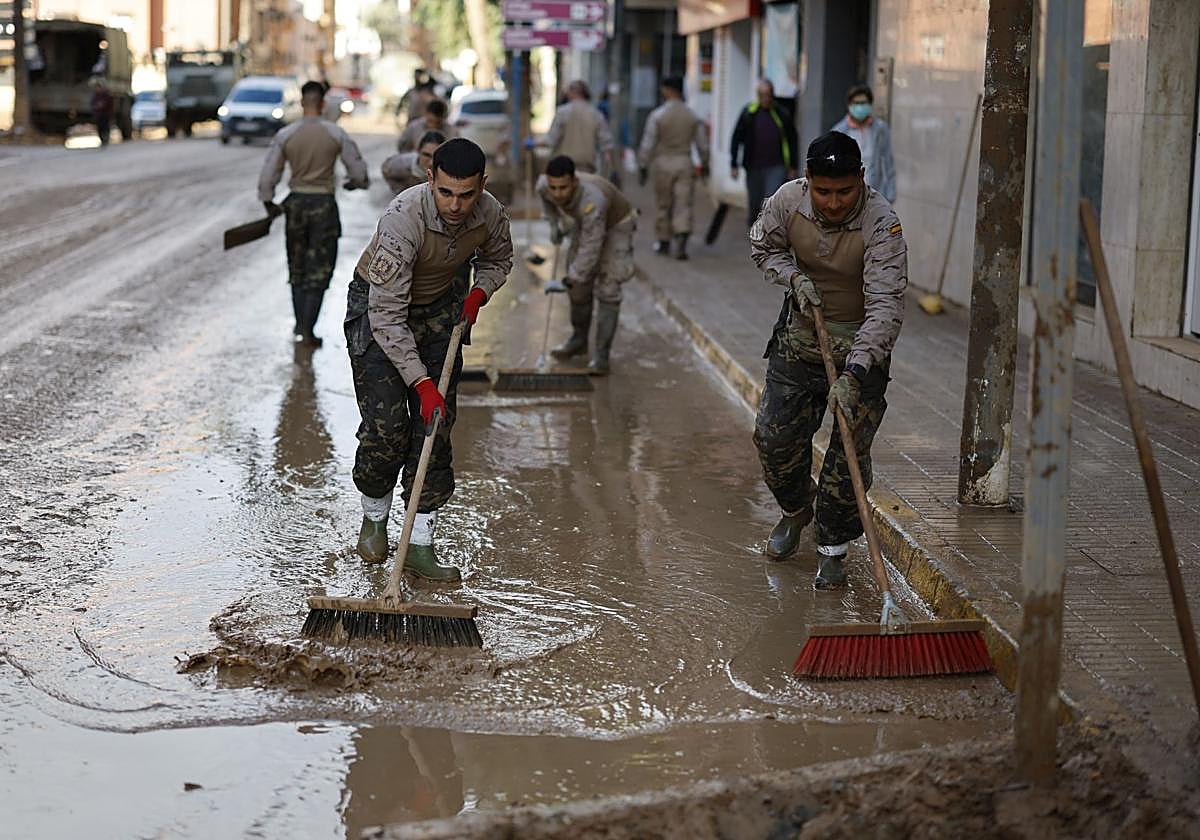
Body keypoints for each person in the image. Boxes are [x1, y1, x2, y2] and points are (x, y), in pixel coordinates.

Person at [349, 138, 513, 580]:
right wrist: (420, 383)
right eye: (445, 193)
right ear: (430, 180)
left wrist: (480, 291)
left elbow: (499, 258)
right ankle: (374, 522)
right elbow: (387, 316)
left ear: (481, 186)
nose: (456, 205)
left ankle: (420, 545)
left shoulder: (491, 213)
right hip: (379, 310)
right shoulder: (403, 219)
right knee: (388, 429)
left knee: (435, 430)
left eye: (466, 194)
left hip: (442, 308)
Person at [749, 131, 907, 588]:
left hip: (861, 351)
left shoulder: (882, 224)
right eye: (823, 191)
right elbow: (763, 248)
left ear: (861, 179)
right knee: (774, 441)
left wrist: (855, 373)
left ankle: (833, 548)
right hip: (800, 342)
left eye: (844, 191)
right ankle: (797, 511)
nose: (834, 202)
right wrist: (792, 277)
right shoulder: (786, 202)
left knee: (846, 462)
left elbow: (886, 306)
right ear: (807, 180)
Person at [258, 80, 369, 347]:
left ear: (301, 103)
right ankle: (308, 328)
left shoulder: (286, 135)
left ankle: (300, 326)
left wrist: (268, 202)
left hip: (295, 205)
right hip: (324, 206)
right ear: (322, 103)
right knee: (320, 270)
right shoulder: (335, 134)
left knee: (297, 267)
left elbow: (267, 177)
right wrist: (354, 184)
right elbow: (359, 173)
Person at [537, 155, 635, 375]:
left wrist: (572, 277)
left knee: (608, 289)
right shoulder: (544, 185)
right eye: (553, 188)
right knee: (578, 290)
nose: (557, 193)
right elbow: (544, 197)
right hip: (586, 224)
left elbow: (592, 247)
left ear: (574, 182)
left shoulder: (593, 200)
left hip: (617, 225)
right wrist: (553, 222)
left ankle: (601, 355)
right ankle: (579, 340)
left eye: (563, 187)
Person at [637, 75, 709, 260]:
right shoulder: (692, 115)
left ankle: (664, 240)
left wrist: (643, 165)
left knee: (664, 203)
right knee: (684, 203)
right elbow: (702, 144)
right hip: (684, 163)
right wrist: (705, 163)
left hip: (663, 162)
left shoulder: (658, 115)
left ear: (667, 90)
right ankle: (682, 238)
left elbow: (648, 142)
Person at [731, 79, 799, 228]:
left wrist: (793, 166)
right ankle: (754, 230)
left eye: (768, 95)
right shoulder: (749, 113)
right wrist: (733, 164)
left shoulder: (782, 114)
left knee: (772, 201)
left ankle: (770, 233)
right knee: (755, 202)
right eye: (762, 95)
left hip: (776, 166)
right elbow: (736, 138)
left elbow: (792, 140)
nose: (766, 99)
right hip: (753, 166)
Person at [831, 85, 896, 203]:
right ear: (849, 105)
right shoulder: (839, 131)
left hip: (875, 192)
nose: (860, 107)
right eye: (856, 103)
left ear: (870, 104)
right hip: (848, 194)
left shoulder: (880, 129)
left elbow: (887, 162)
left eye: (863, 103)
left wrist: (890, 193)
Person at [546, 80, 614, 175]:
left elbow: (551, 140)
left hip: (564, 168)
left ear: (572, 92)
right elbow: (607, 144)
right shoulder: (596, 114)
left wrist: (534, 143)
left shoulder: (562, 112)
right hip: (587, 168)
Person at [381, 130, 444, 194]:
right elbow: (386, 169)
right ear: (418, 151)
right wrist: (401, 191)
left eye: (436, 156)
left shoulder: (447, 171)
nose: (431, 162)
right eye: (426, 155)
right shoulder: (401, 164)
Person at [90, 79, 115, 147]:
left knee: (105, 127)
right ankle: (102, 139)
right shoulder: (96, 95)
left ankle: (105, 139)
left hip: (105, 114)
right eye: (97, 87)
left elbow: (110, 104)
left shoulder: (107, 95)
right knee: (99, 127)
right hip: (99, 115)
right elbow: (93, 103)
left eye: (99, 87)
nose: (98, 89)